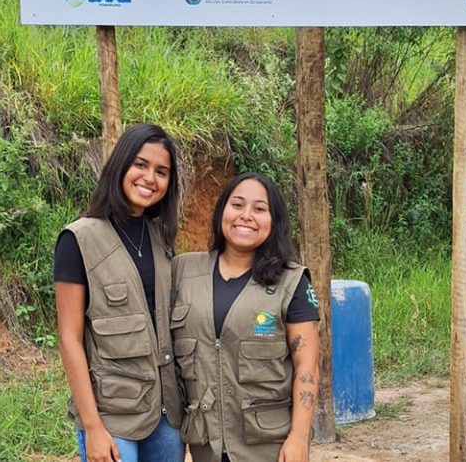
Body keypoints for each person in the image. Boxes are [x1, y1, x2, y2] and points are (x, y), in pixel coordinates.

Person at [54, 123, 185, 462]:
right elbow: (70, 339)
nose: (149, 178)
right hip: (111, 417)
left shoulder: (161, 239)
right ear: (120, 165)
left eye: (161, 171)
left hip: (166, 415)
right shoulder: (78, 239)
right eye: (140, 164)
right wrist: (93, 426)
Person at [171, 171, 320, 462]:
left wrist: (299, 438)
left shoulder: (292, 282)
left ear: (274, 221)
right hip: (206, 445)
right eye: (237, 205)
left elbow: (308, 365)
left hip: (268, 447)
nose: (246, 216)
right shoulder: (183, 271)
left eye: (260, 209)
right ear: (222, 211)